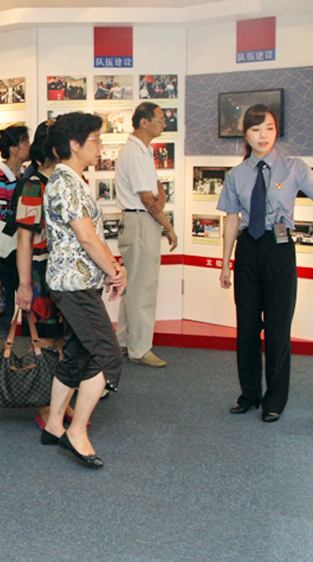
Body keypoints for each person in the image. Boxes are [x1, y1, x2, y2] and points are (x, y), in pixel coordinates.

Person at [217, 104, 313, 423]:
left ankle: (275, 399)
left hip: (279, 248)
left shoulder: (293, 167)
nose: (263, 135)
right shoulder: (236, 175)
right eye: (256, 129)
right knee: (246, 328)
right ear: (246, 134)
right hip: (248, 250)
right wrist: (225, 262)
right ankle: (249, 395)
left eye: (269, 128)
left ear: (276, 131)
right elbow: (232, 220)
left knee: (278, 327)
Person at [40, 112, 126, 468]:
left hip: (78, 282)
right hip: (73, 285)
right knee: (108, 356)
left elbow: (94, 236)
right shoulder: (66, 183)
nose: (100, 146)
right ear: (74, 144)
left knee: (77, 354)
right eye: (95, 139)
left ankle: (53, 425)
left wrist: (113, 269)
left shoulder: (73, 181)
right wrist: (113, 271)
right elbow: (87, 238)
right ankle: (76, 433)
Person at [15, 121, 73, 428]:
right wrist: (25, 285)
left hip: (67, 273)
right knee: (43, 341)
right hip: (41, 271)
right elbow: (24, 239)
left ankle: (61, 401)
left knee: (63, 340)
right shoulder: (34, 185)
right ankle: (43, 404)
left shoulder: (70, 181)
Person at [116, 102, 178, 368]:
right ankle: (140, 349)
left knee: (133, 286)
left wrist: (160, 194)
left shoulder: (142, 150)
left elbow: (154, 187)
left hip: (140, 220)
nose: (164, 123)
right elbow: (147, 199)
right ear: (144, 122)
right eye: (160, 119)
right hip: (141, 221)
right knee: (143, 288)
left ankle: (123, 341)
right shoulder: (134, 153)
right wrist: (169, 227)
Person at [0, 125, 30, 350]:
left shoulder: (24, 175)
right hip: (5, 252)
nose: (29, 146)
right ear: (13, 148)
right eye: (25, 142)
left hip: (22, 248)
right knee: (3, 308)